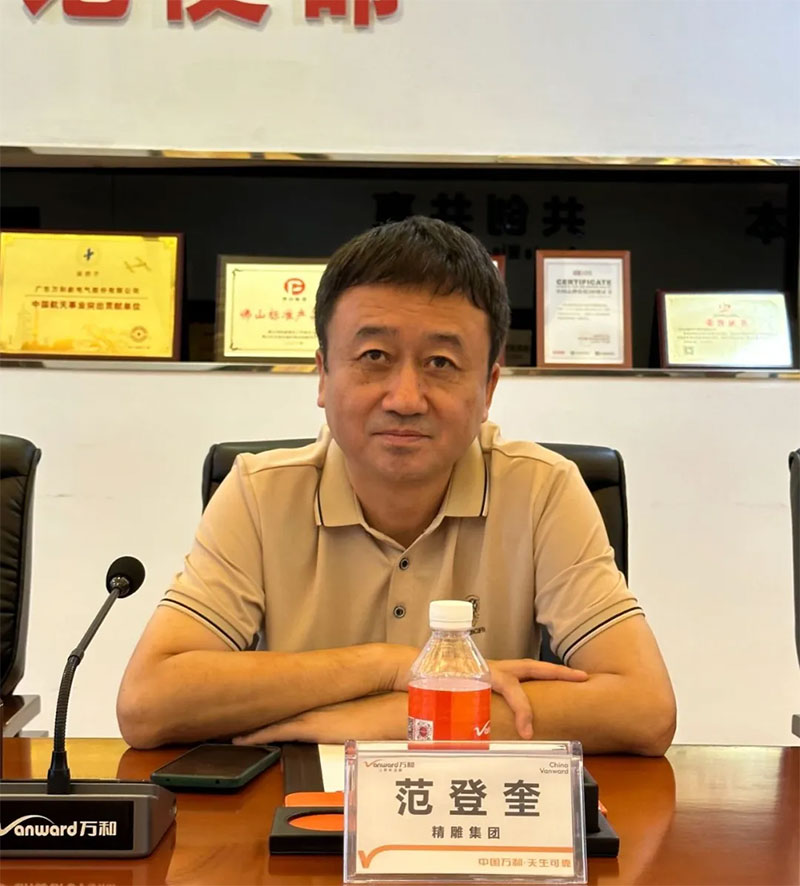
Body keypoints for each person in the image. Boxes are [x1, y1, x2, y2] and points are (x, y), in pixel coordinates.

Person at [117, 217, 676, 754]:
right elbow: (149, 703)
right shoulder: (258, 493)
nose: (405, 398)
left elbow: (644, 708)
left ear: (488, 388)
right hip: (306, 807)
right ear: (323, 375)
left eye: (441, 362)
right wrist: (386, 667)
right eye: (374, 357)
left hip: (477, 805)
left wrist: (397, 719)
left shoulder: (542, 490)